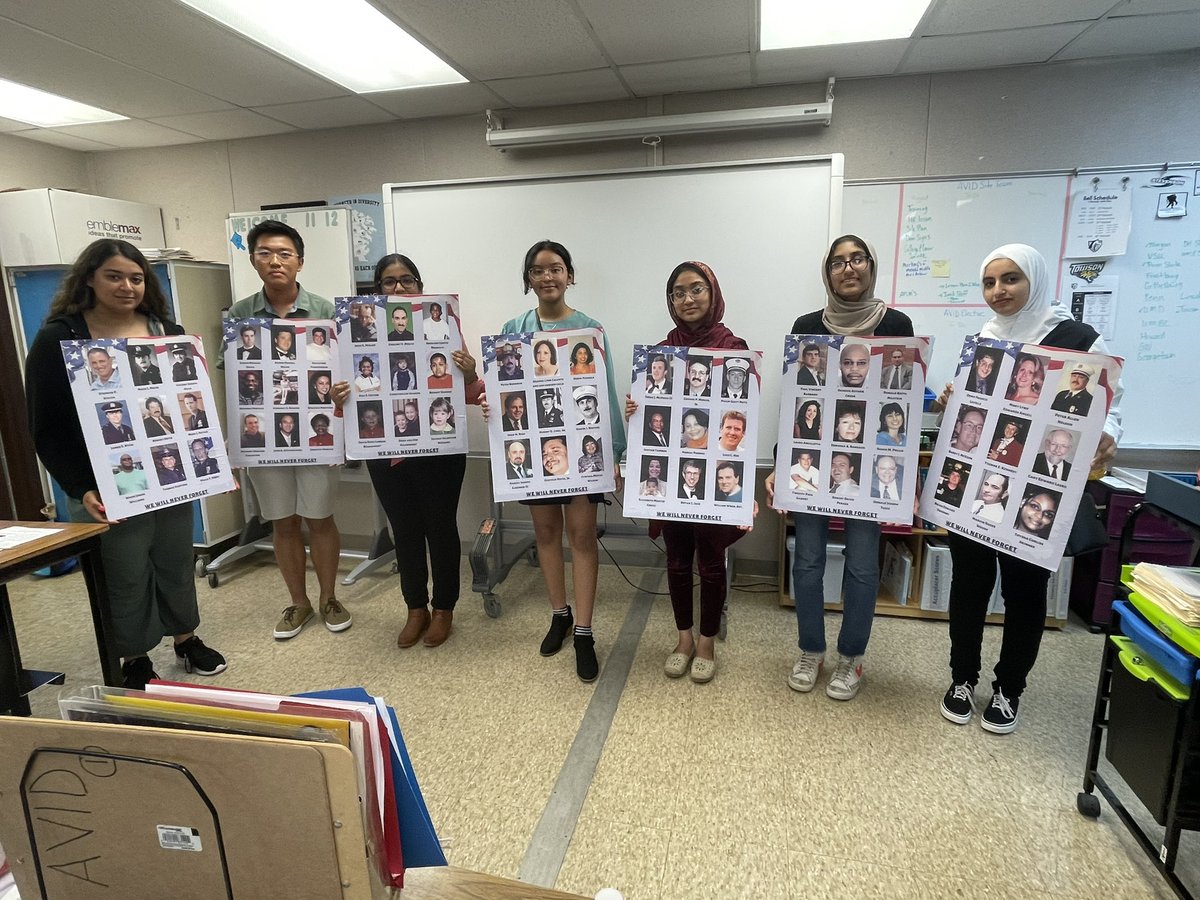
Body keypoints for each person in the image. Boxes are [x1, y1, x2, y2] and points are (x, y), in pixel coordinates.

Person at [937, 243, 1122, 735]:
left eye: (1011, 279)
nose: (999, 291)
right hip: (982, 481)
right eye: (990, 282)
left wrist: (1110, 436)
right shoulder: (984, 339)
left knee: (1025, 592)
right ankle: (961, 679)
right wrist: (958, 397)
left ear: (1034, 280)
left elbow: (1111, 406)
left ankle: (1008, 688)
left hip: (1039, 486)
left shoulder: (1078, 338)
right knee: (969, 586)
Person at [25, 238, 225, 689]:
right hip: (105, 486)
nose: (126, 286)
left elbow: (190, 407)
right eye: (114, 276)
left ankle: (186, 639)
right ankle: (133, 656)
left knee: (174, 560)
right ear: (89, 279)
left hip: (170, 475)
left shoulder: (165, 331)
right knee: (124, 572)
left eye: (136, 278)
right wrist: (80, 488)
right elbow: (46, 427)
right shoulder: (61, 337)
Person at [765, 234, 914, 703]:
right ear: (826, 273)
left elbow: (904, 402)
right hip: (813, 463)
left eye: (857, 260)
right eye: (837, 263)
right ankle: (811, 649)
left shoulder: (896, 323)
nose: (847, 269)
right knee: (806, 561)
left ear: (871, 267)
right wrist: (779, 461)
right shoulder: (808, 325)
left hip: (872, 467)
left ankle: (852, 656)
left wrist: (905, 476)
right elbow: (796, 402)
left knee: (863, 566)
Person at [488, 239, 625, 683]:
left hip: (581, 451)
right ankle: (559, 614)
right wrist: (492, 407)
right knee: (545, 534)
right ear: (528, 278)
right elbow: (505, 390)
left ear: (570, 275)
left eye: (557, 268)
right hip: (536, 447)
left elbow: (604, 395)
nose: (548, 277)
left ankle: (584, 631)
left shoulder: (590, 329)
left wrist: (615, 455)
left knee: (581, 537)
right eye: (538, 270)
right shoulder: (514, 328)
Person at [625, 261, 753, 685]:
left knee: (711, 562)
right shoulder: (662, 355)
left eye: (696, 289)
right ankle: (683, 638)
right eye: (678, 293)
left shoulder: (734, 348)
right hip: (675, 478)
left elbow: (741, 419)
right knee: (678, 561)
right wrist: (635, 410)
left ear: (712, 292)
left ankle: (707, 642)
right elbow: (655, 417)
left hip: (715, 474)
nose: (687, 299)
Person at [226, 219, 353, 640]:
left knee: (320, 517)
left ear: (300, 260)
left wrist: (340, 391)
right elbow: (235, 383)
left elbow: (346, 370)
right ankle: (298, 602)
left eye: (284, 253)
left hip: (317, 430)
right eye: (265, 253)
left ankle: (329, 597)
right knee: (282, 521)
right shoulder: (241, 315)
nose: (275, 261)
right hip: (264, 436)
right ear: (253, 260)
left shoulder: (326, 312)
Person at [366, 253, 483, 650]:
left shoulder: (444, 325)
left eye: (407, 280)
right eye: (388, 282)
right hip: (386, 448)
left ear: (420, 286)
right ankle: (415, 608)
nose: (399, 288)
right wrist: (338, 394)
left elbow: (467, 392)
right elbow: (344, 394)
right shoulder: (359, 334)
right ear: (377, 289)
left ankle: (444, 608)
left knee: (440, 527)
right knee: (405, 529)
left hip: (439, 448)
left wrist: (468, 372)